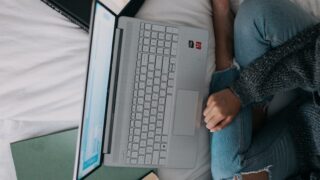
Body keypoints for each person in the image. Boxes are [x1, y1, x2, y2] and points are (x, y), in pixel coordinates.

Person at [207, 0, 320, 179]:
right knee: (255, 17)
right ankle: (255, 108)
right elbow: (314, 60)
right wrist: (242, 92)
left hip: (308, 141)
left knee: (228, 175)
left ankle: (226, 60)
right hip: (314, 63)